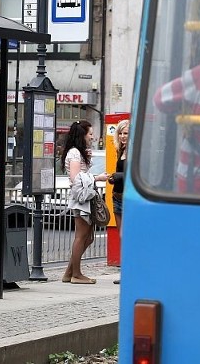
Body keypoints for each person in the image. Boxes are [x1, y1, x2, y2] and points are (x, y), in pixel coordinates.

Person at [60, 120, 109, 284]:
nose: (92, 137)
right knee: (81, 237)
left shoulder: (78, 153)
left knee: (88, 237)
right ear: (82, 135)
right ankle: (76, 274)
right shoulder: (74, 153)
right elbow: (76, 179)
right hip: (81, 199)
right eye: (90, 134)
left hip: (84, 198)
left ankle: (69, 272)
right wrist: (97, 177)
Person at [108, 119, 129, 285]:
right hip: (117, 196)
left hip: (128, 198)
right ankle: (125, 272)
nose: (123, 136)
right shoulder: (119, 150)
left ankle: (129, 272)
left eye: (126, 133)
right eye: (121, 133)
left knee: (126, 235)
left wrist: (117, 176)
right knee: (122, 236)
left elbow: (133, 174)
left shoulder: (134, 151)